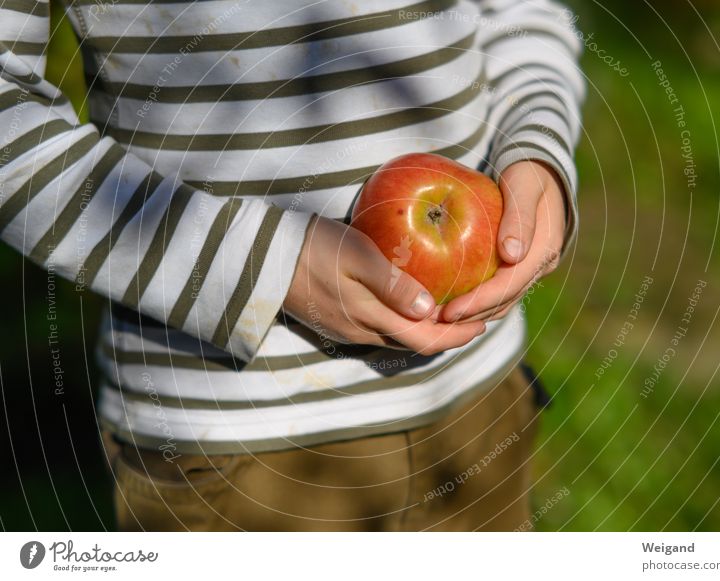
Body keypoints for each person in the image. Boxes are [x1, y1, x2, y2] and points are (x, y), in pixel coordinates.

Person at [0, 0, 584, 530]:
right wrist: (266, 267)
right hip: (234, 445)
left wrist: (538, 146)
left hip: (479, 397)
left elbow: (517, 14)